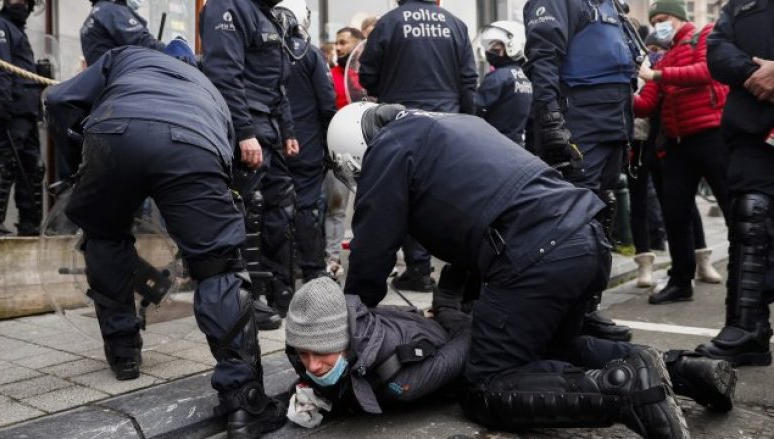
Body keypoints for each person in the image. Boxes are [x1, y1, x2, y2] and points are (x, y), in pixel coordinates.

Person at [329, 102, 736, 437]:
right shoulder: (454, 124)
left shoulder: (388, 147)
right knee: (549, 352)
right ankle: (685, 372)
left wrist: (348, 319)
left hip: (536, 253)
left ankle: (627, 391)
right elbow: (483, 209)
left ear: (353, 153)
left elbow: (372, 248)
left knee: (485, 386)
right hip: (584, 238)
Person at [44, 41, 286, 438]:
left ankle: (124, 356)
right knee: (218, 267)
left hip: (113, 134)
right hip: (193, 143)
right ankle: (246, 403)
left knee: (104, 234)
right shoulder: (207, 87)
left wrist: (75, 170)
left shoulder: (125, 57)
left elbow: (57, 99)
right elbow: (224, 164)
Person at [523, 0, 640, 341]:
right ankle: (564, 315)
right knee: (576, 219)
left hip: (614, 118)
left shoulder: (608, 5)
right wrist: (550, 118)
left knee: (601, 215)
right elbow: (543, 56)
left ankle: (586, 308)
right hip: (581, 119)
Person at [359, 0, 478, 292]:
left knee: (405, 192)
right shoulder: (455, 24)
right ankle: (458, 270)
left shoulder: (390, 22)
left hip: (402, 120)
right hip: (447, 122)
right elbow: (468, 80)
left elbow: (367, 75)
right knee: (451, 193)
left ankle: (418, 269)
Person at [200, 0, 299, 328]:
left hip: (270, 127)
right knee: (247, 210)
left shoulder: (265, 14)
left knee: (281, 209)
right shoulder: (226, 7)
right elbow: (225, 75)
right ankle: (245, 299)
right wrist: (244, 131)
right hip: (248, 125)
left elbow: (278, 82)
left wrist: (288, 131)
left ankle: (280, 292)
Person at [694, 0, 774, 366]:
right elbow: (717, 50)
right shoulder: (740, 5)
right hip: (753, 129)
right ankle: (746, 329)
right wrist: (754, 75)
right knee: (749, 217)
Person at [634, 0, 730, 305]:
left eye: (664, 19)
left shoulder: (704, 35)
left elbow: (706, 71)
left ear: (678, 18)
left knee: (734, 208)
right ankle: (680, 280)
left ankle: (752, 274)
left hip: (712, 135)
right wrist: (620, 93)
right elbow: (646, 103)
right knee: (675, 214)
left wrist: (659, 76)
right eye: (655, 21)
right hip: (676, 143)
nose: (660, 25)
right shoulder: (660, 58)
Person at [283, 277, 470, 428]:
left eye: (322, 352)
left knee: (456, 319)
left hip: (437, 334)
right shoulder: (341, 324)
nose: (312, 365)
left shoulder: (401, 383)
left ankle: (447, 302)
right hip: (402, 320)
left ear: (345, 343)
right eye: (303, 353)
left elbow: (467, 341)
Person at [278, 0, 337, 281]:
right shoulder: (310, 56)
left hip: (270, 143)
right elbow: (327, 104)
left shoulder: (260, 53)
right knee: (305, 207)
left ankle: (280, 275)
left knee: (271, 207)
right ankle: (312, 269)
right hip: (307, 145)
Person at [0, 0, 45, 236]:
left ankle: (30, 224)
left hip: (27, 112)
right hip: (11, 111)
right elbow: (0, 69)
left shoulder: (16, 29)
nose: (22, 4)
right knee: (4, 164)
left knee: (33, 168)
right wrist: (2, 105)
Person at [323, 26, 362, 278]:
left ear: (357, 45)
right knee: (336, 208)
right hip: (338, 151)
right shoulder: (329, 75)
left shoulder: (369, 77)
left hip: (368, 150)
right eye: (336, 43)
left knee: (372, 208)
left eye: (343, 43)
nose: (338, 47)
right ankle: (333, 258)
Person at [474, 20, 532, 145]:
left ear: (512, 46)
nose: (490, 51)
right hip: (517, 145)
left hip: (495, 145)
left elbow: (475, 109)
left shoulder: (498, 77)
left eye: (496, 46)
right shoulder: (523, 76)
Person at [80, 0, 165, 66]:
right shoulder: (111, 10)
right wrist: (167, 50)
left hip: (106, 81)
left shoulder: (93, 16)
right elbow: (142, 41)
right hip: (122, 77)